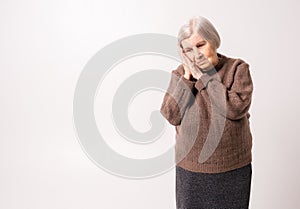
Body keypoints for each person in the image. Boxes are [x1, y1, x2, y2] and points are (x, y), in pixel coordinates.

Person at [160, 16, 254, 209]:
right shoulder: (180, 74)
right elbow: (171, 114)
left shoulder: (237, 69)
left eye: (201, 45)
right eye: (188, 49)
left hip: (232, 168)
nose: (196, 54)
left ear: (214, 41)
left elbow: (235, 109)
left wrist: (204, 76)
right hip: (191, 168)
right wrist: (187, 79)